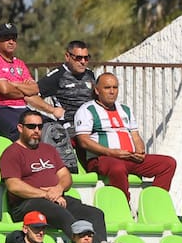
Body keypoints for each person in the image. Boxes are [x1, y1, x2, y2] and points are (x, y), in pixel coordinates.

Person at [0, 109, 120, 243]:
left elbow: (65, 175)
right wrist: (46, 194)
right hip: (26, 204)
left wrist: (58, 188)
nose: (36, 130)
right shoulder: (11, 153)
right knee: (59, 211)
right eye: (31, 126)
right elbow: (14, 186)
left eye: (40, 127)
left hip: (55, 198)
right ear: (20, 128)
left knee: (94, 213)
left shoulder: (48, 149)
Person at [74, 72, 176, 203]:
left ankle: (155, 203)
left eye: (115, 87)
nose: (112, 91)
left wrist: (140, 151)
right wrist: (111, 152)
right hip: (102, 159)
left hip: (129, 158)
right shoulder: (87, 110)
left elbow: (135, 136)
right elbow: (83, 141)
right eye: (107, 88)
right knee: (117, 167)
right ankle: (123, 204)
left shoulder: (125, 110)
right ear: (97, 90)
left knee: (168, 164)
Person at [0, 23, 57, 141]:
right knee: (23, 130)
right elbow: (5, 90)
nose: (11, 42)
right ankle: (23, 153)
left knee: (52, 127)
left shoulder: (19, 64)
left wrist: (13, 84)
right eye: (6, 38)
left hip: (20, 108)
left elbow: (34, 89)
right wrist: (24, 90)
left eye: (14, 39)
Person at [38, 41, 97, 132]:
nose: (83, 62)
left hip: (92, 122)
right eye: (78, 58)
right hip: (71, 126)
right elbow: (31, 96)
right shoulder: (57, 75)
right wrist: (52, 110)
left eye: (86, 58)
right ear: (67, 57)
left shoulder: (90, 74)